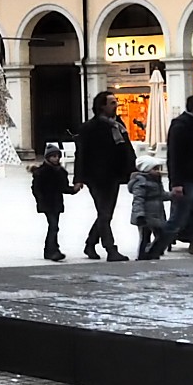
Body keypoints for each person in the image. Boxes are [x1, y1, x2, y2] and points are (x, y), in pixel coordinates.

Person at [71, 93, 135, 261]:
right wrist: (78, 178)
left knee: (105, 214)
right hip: (96, 177)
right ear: (102, 106)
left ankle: (90, 243)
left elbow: (126, 149)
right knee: (105, 213)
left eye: (116, 102)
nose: (116, 106)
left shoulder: (118, 125)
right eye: (112, 103)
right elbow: (81, 153)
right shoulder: (89, 128)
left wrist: (132, 169)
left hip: (114, 175)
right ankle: (110, 249)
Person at [163, 93, 193, 253]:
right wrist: (176, 183)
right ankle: (155, 249)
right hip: (187, 181)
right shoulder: (181, 126)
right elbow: (174, 156)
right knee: (177, 219)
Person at [32, 145, 72, 262]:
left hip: (56, 202)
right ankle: (52, 250)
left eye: (57, 156)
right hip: (47, 203)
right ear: (48, 157)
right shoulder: (42, 172)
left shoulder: (60, 171)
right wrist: (40, 200)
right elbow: (36, 188)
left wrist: (73, 189)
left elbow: (63, 187)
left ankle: (51, 249)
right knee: (53, 226)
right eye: (53, 156)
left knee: (54, 226)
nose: (56, 159)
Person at [127, 156, 171, 260]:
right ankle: (144, 254)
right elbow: (138, 200)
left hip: (156, 214)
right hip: (145, 216)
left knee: (161, 234)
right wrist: (139, 215)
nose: (158, 172)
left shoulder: (156, 181)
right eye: (155, 169)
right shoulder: (141, 182)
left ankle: (151, 252)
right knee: (146, 237)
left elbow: (161, 195)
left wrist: (171, 195)